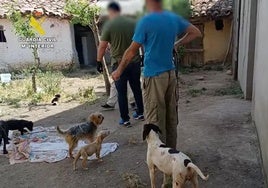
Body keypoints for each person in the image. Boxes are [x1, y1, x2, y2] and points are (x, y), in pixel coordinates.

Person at [112, 0, 201, 147]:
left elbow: (131, 51)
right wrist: (176, 44)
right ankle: (172, 154)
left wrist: (119, 70)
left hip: (154, 76)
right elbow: (195, 32)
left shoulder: (146, 21)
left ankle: (161, 157)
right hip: (170, 74)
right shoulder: (173, 18)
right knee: (170, 116)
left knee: (155, 119)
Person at [97, 2, 144, 126]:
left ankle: (125, 119)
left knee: (121, 92)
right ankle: (141, 113)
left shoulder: (109, 26)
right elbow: (141, 40)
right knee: (136, 89)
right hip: (134, 61)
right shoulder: (133, 23)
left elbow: (102, 46)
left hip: (118, 64)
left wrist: (98, 61)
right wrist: (143, 55)